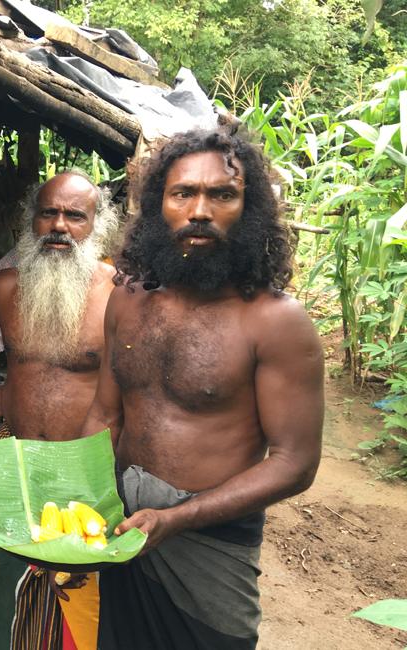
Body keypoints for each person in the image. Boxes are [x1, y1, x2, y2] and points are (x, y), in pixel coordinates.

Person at [79, 128, 324, 649]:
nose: (199, 211)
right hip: (124, 531)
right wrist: (81, 509)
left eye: (222, 195)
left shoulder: (276, 323)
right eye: (182, 193)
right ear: (157, 205)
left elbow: (294, 462)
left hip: (209, 549)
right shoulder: (128, 299)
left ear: (250, 208)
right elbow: (104, 414)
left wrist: (177, 517)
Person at [0, 172, 119, 650]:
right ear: (32, 221)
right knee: (4, 595)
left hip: (86, 470)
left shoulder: (120, 294)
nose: (59, 226)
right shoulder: (4, 288)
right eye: (48, 212)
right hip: (15, 462)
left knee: (77, 603)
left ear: (97, 224)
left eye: (74, 216)